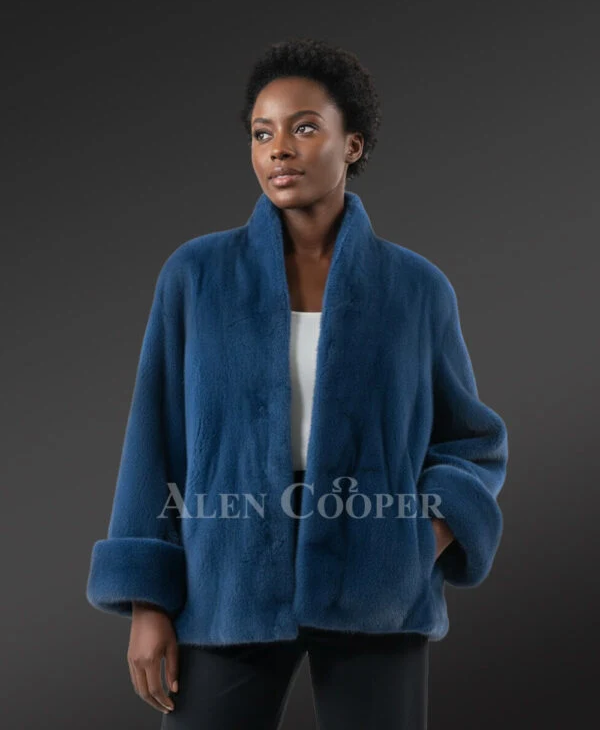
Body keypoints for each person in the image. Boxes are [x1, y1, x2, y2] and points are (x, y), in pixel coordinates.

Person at [86, 38, 508, 729]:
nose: (279, 149)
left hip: (375, 586)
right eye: (263, 133)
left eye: (305, 128)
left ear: (353, 145)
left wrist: (416, 542)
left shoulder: (415, 289)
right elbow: (153, 442)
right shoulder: (197, 277)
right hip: (227, 580)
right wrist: (148, 603)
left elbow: (472, 440)